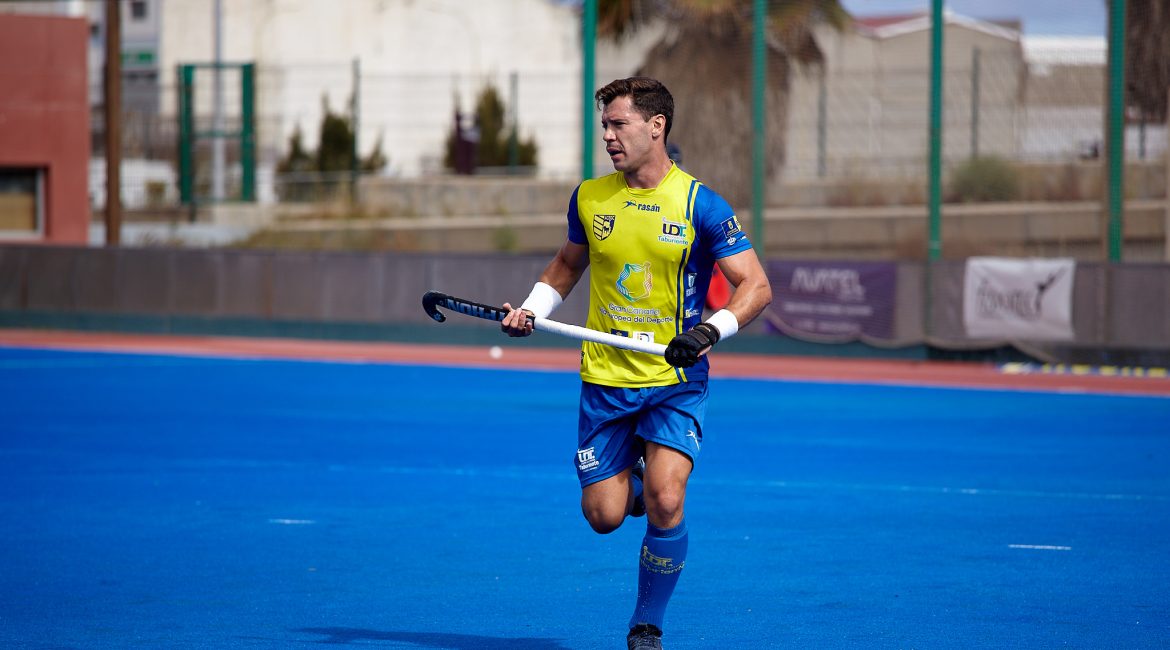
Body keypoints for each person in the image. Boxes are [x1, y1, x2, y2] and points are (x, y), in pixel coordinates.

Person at [500, 77, 772, 650]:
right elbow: (565, 267)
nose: (608, 136)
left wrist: (709, 331)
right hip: (605, 381)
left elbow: (756, 286)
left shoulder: (701, 205)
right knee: (603, 516)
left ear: (656, 126)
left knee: (668, 500)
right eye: (605, 125)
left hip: (674, 379)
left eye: (619, 124)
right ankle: (638, 480)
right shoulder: (589, 197)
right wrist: (531, 309)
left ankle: (646, 625)